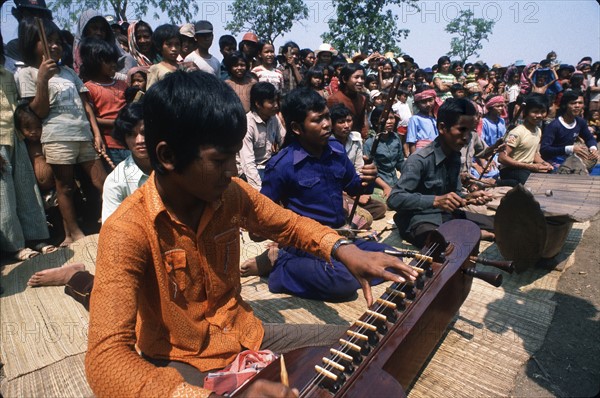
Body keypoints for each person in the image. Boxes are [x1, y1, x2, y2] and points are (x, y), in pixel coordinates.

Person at [84, 71, 417, 397]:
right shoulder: (126, 229)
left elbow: (290, 224)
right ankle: (79, 281)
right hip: (179, 357)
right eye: (220, 160)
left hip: (244, 332)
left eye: (234, 156)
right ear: (167, 156)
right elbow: (106, 359)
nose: (233, 170)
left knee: (360, 343)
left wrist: (344, 249)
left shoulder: (232, 193)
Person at [247, 87, 408, 302]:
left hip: (342, 239)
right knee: (341, 281)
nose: (326, 125)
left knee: (393, 258)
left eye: (326, 117)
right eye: (316, 120)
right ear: (296, 128)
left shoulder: (336, 150)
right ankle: (281, 266)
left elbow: (354, 189)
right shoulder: (282, 165)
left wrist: (368, 179)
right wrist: (280, 237)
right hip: (306, 247)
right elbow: (257, 227)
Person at [27, 102, 150, 307]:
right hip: (140, 250)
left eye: (146, 133)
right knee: (120, 306)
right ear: (123, 139)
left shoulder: (174, 166)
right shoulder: (117, 180)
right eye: (131, 134)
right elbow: (115, 235)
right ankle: (76, 277)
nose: (140, 141)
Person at [16, 17, 107, 246]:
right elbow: (37, 111)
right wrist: (42, 80)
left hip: (83, 135)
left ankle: (111, 220)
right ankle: (75, 233)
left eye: (58, 41)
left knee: (102, 181)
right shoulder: (27, 74)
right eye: (48, 41)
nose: (55, 46)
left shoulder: (68, 72)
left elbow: (86, 104)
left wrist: (96, 133)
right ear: (32, 44)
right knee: (64, 186)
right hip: (56, 138)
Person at [387, 98, 494, 248]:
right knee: (439, 242)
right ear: (443, 128)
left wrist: (468, 198)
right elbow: (394, 199)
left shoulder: (455, 155)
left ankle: (469, 232)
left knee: (498, 223)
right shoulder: (419, 160)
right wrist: (435, 201)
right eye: (462, 130)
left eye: (471, 131)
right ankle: (471, 234)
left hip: (447, 216)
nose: (466, 137)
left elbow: (454, 194)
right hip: (419, 219)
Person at [1, 50, 54, 261]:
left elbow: (17, 109)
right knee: (4, 197)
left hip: (15, 137)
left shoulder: (7, 75)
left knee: (26, 191)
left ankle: (35, 238)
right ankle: (14, 246)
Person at [330, 103, 386, 222]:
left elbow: (359, 169)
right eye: (341, 122)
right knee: (364, 217)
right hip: (336, 192)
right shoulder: (327, 143)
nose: (346, 125)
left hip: (353, 186)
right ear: (332, 125)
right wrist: (353, 196)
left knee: (380, 208)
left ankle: (354, 209)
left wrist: (358, 192)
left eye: (349, 121)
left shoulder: (355, 138)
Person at [80, 38, 129, 165]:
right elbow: (91, 119)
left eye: (114, 60)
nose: (113, 64)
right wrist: (116, 122)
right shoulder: (89, 88)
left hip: (128, 141)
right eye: (108, 61)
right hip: (109, 144)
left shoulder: (123, 84)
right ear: (94, 62)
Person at [498, 94, 554, 186]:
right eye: (535, 112)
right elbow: (502, 157)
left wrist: (544, 163)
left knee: (550, 176)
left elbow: (533, 153)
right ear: (526, 113)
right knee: (529, 183)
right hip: (512, 170)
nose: (539, 115)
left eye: (542, 112)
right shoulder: (517, 132)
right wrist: (530, 166)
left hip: (527, 169)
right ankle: (498, 183)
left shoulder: (538, 130)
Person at [238, 82, 282, 190]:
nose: (276, 105)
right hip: (248, 172)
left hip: (267, 166)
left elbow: (284, 141)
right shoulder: (247, 124)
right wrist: (260, 191)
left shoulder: (274, 118)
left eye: (276, 101)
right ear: (258, 104)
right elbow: (248, 163)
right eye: (271, 102)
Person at [540, 91, 598, 172]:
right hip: (552, 161)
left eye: (580, 103)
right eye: (573, 103)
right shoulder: (554, 126)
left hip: (568, 159)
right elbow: (544, 150)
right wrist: (569, 149)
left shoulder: (580, 122)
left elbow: (589, 138)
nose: (577, 106)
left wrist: (593, 148)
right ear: (565, 105)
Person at [364, 106, 404, 201]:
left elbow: (400, 162)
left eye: (391, 118)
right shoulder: (370, 143)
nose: (389, 121)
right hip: (379, 185)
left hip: (395, 182)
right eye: (386, 119)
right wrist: (386, 187)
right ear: (375, 122)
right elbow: (372, 173)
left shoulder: (396, 138)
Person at [327, 63, 369, 138]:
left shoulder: (362, 99)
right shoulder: (334, 99)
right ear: (344, 79)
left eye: (362, 78)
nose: (360, 81)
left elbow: (362, 123)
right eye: (356, 77)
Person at [146, 24, 181, 88]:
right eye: (169, 44)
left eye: (177, 44)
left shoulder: (183, 68)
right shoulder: (155, 69)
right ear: (159, 46)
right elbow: (151, 94)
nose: (174, 49)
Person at [406, 88, 438, 154]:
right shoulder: (415, 119)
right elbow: (411, 142)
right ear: (417, 104)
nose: (428, 104)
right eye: (424, 102)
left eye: (430, 100)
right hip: (422, 153)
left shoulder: (435, 119)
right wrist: (414, 160)